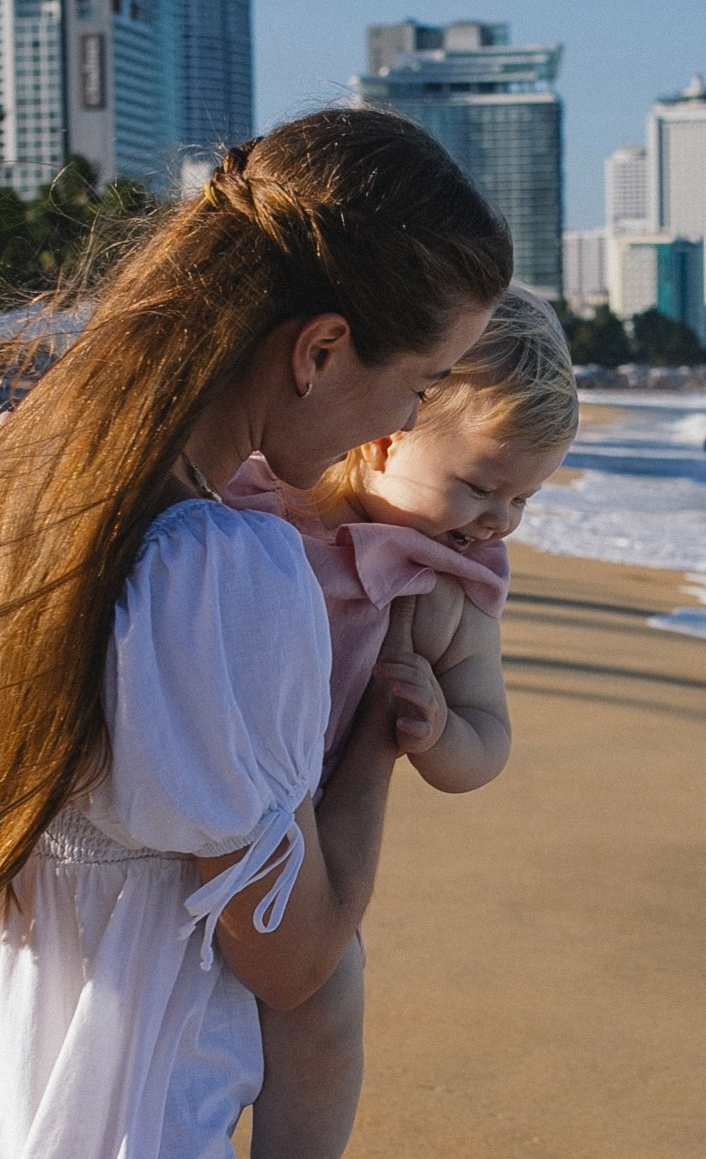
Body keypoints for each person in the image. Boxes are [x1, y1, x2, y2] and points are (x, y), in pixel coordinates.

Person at [0, 107, 512, 1158]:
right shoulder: (223, 575)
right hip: (123, 1110)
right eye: (417, 384)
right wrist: (379, 739)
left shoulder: (14, 491)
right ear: (321, 349)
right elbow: (288, 959)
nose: (393, 426)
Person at [225, 284, 578, 1158]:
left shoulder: (446, 587)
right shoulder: (262, 497)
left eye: (522, 502)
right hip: (199, 795)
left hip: (302, 839)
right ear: (383, 431)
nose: (497, 521)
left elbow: (486, 740)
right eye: (479, 486)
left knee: (326, 1003)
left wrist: (435, 729)